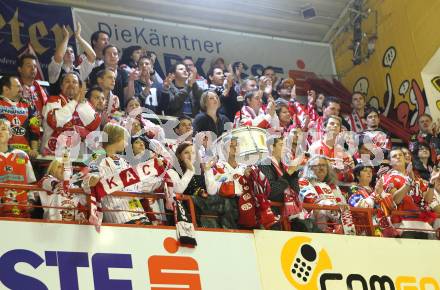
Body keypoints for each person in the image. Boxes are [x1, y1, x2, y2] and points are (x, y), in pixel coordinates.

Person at [167, 142, 236, 228]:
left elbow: (212, 191)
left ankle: (229, 229)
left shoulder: (200, 171)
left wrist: (208, 170)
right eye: (186, 152)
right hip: (185, 208)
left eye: (193, 153)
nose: (190, 155)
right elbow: (178, 190)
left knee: (229, 200)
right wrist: (190, 171)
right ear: (179, 156)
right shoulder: (172, 171)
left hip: (203, 208)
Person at [95, 123, 151, 224]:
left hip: (138, 213)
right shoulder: (97, 157)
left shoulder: (124, 161)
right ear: (116, 138)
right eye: (125, 139)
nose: (127, 144)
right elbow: (86, 181)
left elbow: (138, 184)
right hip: (118, 216)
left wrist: (158, 177)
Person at [380, 147, 440, 239]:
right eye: (394, 156)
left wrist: (431, 182)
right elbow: (396, 200)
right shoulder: (387, 177)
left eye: (400, 155)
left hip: (423, 225)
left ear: (405, 159)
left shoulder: (417, 179)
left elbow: (427, 200)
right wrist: (408, 182)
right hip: (404, 225)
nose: (398, 157)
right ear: (390, 162)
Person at [42, 72, 101, 155]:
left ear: (80, 87)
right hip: (53, 158)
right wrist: (75, 101)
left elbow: (94, 123)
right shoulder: (52, 100)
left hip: (77, 159)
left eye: (74, 82)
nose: (71, 84)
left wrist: (81, 102)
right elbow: (56, 121)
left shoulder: (85, 104)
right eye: (67, 81)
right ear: (61, 86)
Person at [299, 155, 347, 232]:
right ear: (310, 168)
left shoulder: (334, 187)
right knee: (319, 210)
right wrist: (333, 207)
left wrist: (338, 208)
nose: (321, 168)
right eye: (317, 165)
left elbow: (343, 204)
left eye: (324, 165)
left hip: (336, 225)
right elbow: (312, 201)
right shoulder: (304, 182)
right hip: (314, 227)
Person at [0, 119, 37, 218]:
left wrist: (31, 201)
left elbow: (31, 183)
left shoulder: (22, 155)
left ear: (10, 134)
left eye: (3, 129)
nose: (0, 132)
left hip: (22, 214)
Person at [48, 22, 95, 95]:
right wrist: (66, 37)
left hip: (75, 105)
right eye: (66, 52)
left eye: (71, 52)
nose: (69, 53)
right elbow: (59, 56)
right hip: (57, 105)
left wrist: (78, 37)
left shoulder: (79, 72)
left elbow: (92, 56)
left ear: (74, 57)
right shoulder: (55, 70)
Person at [0, 76, 40, 157]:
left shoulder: (29, 105)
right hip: (2, 153)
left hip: (24, 154)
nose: (22, 89)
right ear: (6, 89)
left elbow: (34, 128)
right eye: (18, 86)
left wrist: (34, 149)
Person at [88, 45, 135, 109]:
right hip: (98, 109)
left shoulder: (123, 73)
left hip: (118, 111)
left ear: (118, 58)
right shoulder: (95, 71)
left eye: (115, 54)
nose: (112, 56)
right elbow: (93, 93)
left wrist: (131, 81)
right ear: (103, 56)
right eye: (109, 54)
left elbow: (128, 98)